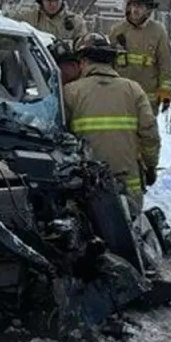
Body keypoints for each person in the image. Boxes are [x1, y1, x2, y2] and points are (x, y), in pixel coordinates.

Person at [62, 32, 161, 213]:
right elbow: (150, 134)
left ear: (83, 61)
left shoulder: (70, 92)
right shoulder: (133, 89)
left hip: (87, 184)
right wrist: (151, 166)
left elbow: (60, 138)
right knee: (131, 227)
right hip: (128, 184)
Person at [108, 0, 171, 115]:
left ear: (148, 9)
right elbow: (108, 64)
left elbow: (165, 65)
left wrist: (165, 92)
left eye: (140, 6)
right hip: (121, 98)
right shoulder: (117, 30)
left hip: (148, 100)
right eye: (132, 5)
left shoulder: (158, 32)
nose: (135, 9)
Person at [9, 0, 88, 42]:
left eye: (56, 0)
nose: (53, 4)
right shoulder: (27, 19)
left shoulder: (76, 23)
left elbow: (84, 49)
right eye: (49, 0)